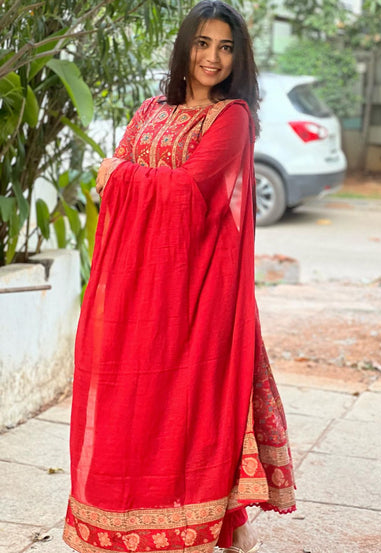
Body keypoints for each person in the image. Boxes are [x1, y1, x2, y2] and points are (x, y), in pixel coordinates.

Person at [63, 2, 296, 552]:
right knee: (127, 401)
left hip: (194, 291)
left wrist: (124, 173)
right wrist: (124, 174)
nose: (212, 58)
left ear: (238, 58)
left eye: (226, 47)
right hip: (134, 285)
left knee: (185, 404)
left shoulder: (231, 118)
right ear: (184, 47)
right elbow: (112, 181)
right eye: (203, 43)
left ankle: (196, 518)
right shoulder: (150, 110)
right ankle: (123, 517)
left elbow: (189, 192)